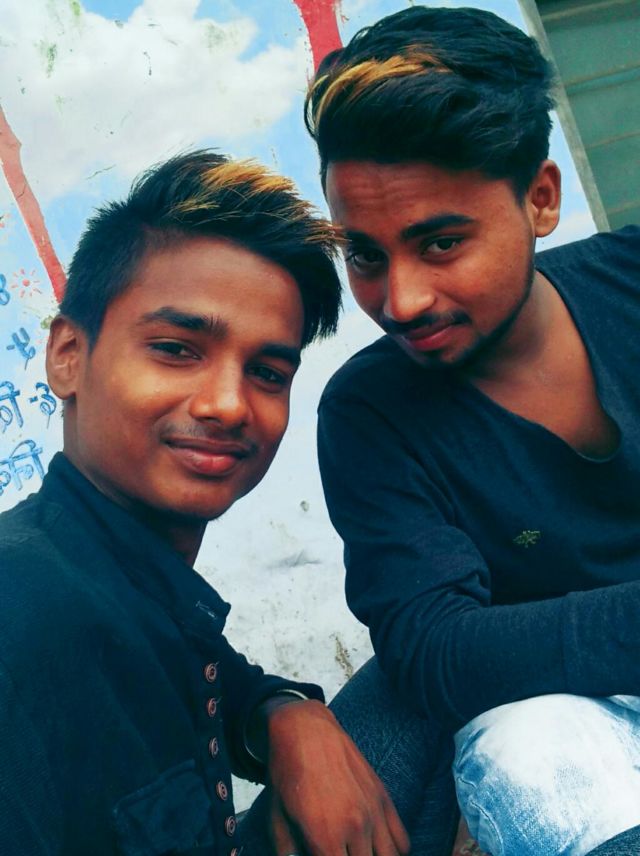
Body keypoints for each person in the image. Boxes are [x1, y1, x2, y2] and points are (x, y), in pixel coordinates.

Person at [0, 150, 411, 856]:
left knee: (414, 693)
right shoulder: (21, 610)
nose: (228, 404)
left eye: (267, 372)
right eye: (176, 349)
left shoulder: (136, 586)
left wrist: (287, 716)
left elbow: (218, 678)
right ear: (68, 355)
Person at [304, 6, 640, 856]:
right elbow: (432, 648)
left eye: (442, 243)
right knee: (491, 754)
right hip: (562, 714)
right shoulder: (370, 414)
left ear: (540, 199)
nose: (401, 300)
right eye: (365, 255)